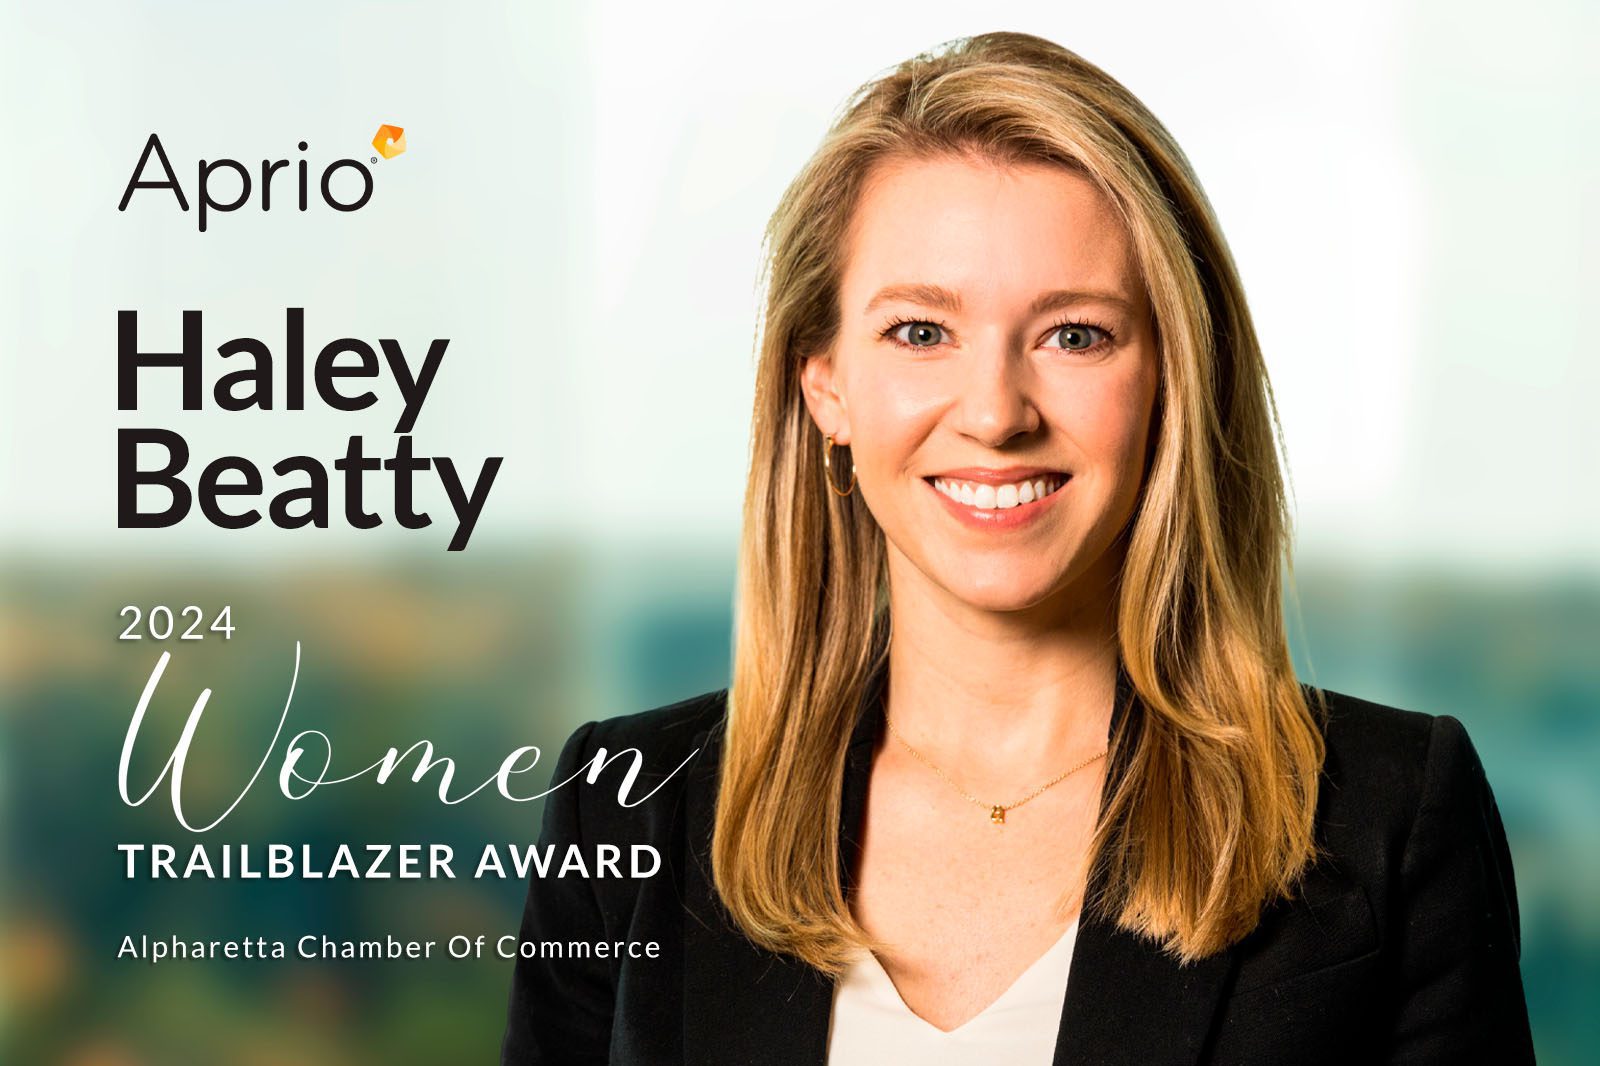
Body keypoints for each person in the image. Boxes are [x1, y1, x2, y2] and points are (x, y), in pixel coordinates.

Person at [502, 31, 1536, 1065]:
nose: (995, 414)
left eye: (1073, 334)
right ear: (825, 384)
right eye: (919, 330)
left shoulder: (1389, 816)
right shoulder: (629, 799)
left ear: (1170, 379)